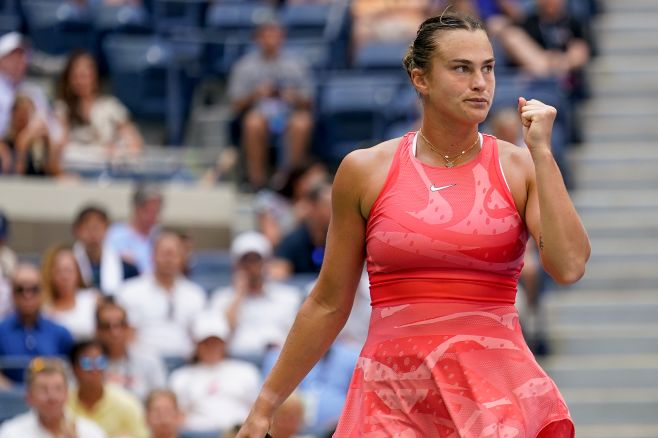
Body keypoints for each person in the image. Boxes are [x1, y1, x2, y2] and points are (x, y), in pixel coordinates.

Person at [237, 12, 589, 438]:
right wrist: (265, 404)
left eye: (488, 68)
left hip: (491, 395)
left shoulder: (521, 166)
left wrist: (543, 155)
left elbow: (568, 266)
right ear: (420, 79)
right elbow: (328, 303)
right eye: (462, 68)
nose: (480, 82)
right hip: (390, 396)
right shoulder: (364, 170)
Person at [227, 19, 315, 189]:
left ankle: (290, 181)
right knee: (253, 123)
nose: (270, 40)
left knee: (302, 123)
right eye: (266, 35)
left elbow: (309, 101)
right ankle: (257, 181)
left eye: (275, 35)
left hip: (289, 113)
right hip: (260, 113)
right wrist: (255, 95)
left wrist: (293, 97)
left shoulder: (295, 64)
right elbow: (236, 103)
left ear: (282, 37)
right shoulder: (245, 66)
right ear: (257, 38)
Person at [116, 231, 206, 357]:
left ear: (183, 258)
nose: (169, 259)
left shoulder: (195, 294)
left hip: (185, 362)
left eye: (174, 254)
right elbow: (128, 335)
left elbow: (198, 335)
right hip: (144, 362)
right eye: (164, 254)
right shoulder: (130, 291)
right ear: (152, 256)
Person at [209, 231, 301, 356]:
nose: (251, 266)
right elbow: (221, 334)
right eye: (245, 260)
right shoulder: (221, 297)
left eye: (256, 260)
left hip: (279, 360)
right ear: (236, 264)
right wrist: (239, 294)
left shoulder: (288, 296)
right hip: (238, 363)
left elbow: (297, 336)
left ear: (266, 262)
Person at [168, 313, 262, 431]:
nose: (211, 347)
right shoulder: (180, 377)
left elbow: (257, 410)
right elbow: (177, 416)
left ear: (224, 343)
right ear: (196, 345)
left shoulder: (247, 372)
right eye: (206, 342)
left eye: (216, 342)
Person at [55, 50, 144, 161]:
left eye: (85, 76)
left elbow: (135, 142)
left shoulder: (110, 106)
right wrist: (98, 151)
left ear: (95, 76)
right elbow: (61, 147)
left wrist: (119, 149)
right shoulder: (62, 108)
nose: (81, 82)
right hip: (77, 168)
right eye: (76, 76)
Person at [0, 264, 73, 386]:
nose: (27, 295)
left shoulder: (60, 333)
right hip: (9, 402)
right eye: (20, 289)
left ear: (43, 293)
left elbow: (71, 373)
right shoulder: (1, 332)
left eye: (34, 289)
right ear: (12, 294)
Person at [0, 357, 105, 438]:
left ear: (67, 394)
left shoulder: (89, 432)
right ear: (29, 396)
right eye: (43, 389)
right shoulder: (11, 433)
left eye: (58, 388)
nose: (52, 396)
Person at [67, 339, 149, 438]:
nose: (94, 369)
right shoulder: (61, 403)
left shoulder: (127, 403)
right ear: (74, 368)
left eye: (100, 362)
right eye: (87, 363)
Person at [96, 299, 167, 400]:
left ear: (128, 328)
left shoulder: (149, 362)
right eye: (107, 327)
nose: (114, 333)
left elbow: (160, 400)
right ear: (97, 331)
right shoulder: (88, 364)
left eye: (120, 325)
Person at [72, 204, 140, 296]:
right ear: (77, 230)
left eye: (97, 227)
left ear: (107, 229)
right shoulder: (67, 264)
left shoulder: (127, 269)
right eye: (88, 227)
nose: (92, 233)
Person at [105, 184, 163, 274]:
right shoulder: (115, 234)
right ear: (136, 208)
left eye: (156, 211)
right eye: (148, 210)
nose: (153, 216)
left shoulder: (159, 236)